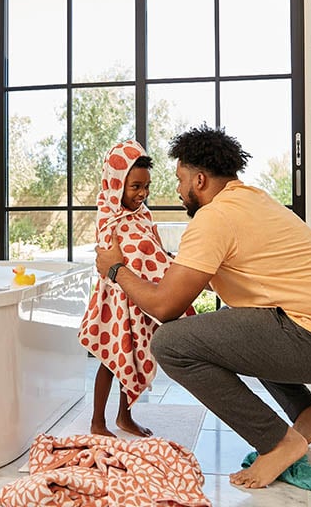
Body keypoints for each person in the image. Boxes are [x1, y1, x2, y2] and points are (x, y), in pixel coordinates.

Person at [94, 124, 311, 489]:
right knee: (231, 323)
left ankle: (277, 442)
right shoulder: (251, 199)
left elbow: (164, 308)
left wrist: (116, 269)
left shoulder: (214, 218)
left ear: (198, 179)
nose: (177, 190)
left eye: (180, 179)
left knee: (170, 344)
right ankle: (308, 415)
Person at [78, 139, 182, 438]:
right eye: (135, 186)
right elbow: (112, 257)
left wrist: (169, 265)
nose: (142, 193)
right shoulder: (108, 215)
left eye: (146, 186)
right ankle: (98, 421)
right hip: (115, 299)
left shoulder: (144, 215)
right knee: (112, 359)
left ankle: (125, 416)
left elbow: (152, 251)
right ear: (116, 183)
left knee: (134, 355)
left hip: (140, 296)